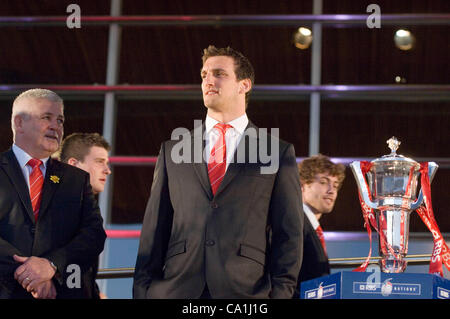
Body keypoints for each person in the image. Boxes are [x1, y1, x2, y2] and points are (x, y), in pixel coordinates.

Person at [133, 45, 304, 299]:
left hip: (246, 292)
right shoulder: (172, 151)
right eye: (204, 75)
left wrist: (280, 294)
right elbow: (154, 230)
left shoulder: (277, 152)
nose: (209, 81)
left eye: (219, 74)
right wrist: (143, 292)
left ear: (243, 85)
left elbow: (288, 235)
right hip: (176, 290)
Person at [0, 88, 106, 299]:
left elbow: (94, 234)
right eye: (46, 117)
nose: (55, 126)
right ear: (19, 123)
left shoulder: (76, 180)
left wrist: (51, 265)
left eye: (60, 120)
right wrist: (29, 275)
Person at [59, 132, 111, 299]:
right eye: (99, 162)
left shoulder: (85, 208)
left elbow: (79, 272)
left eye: (107, 163)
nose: (107, 170)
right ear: (74, 164)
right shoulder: (52, 204)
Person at [294, 154, 345, 298]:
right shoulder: (294, 223)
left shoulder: (311, 227)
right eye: (323, 182)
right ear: (302, 185)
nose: (332, 190)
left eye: (335, 185)